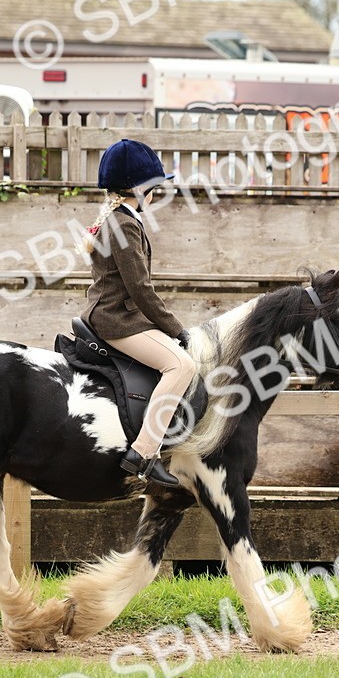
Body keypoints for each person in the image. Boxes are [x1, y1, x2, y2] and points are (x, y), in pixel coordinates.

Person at [79, 139, 195, 488]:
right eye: (155, 188)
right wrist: (176, 329)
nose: (158, 194)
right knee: (182, 365)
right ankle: (144, 453)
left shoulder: (117, 220)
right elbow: (140, 289)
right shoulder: (124, 225)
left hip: (116, 313)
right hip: (117, 319)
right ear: (140, 190)